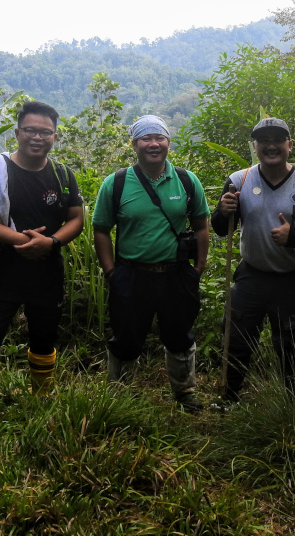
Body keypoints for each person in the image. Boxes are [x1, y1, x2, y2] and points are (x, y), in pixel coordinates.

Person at [0, 101, 84, 423]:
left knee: (44, 336)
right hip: (5, 268)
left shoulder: (62, 174)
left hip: (47, 268)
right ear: (17, 132)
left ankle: (42, 398)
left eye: (45, 132)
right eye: (30, 130)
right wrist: (22, 242)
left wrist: (51, 242)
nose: (37, 137)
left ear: (55, 136)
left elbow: (77, 219)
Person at [210, 117, 295, 403]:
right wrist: (224, 211)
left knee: (289, 342)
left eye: (277, 140)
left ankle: (292, 401)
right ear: (255, 147)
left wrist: (294, 237)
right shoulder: (238, 181)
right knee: (237, 338)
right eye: (263, 141)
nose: (271, 146)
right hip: (251, 275)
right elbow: (219, 229)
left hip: (292, 277)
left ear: (289, 145)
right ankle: (228, 398)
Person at [92, 115, 210, 412]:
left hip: (176, 273)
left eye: (159, 138)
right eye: (146, 138)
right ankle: (119, 395)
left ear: (168, 142)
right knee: (126, 338)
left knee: (180, 336)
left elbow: (201, 224)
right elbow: (101, 229)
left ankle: (186, 393)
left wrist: (198, 268)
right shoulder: (116, 183)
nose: (153, 144)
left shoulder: (186, 180)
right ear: (134, 144)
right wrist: (110, 272)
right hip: (131, 274)